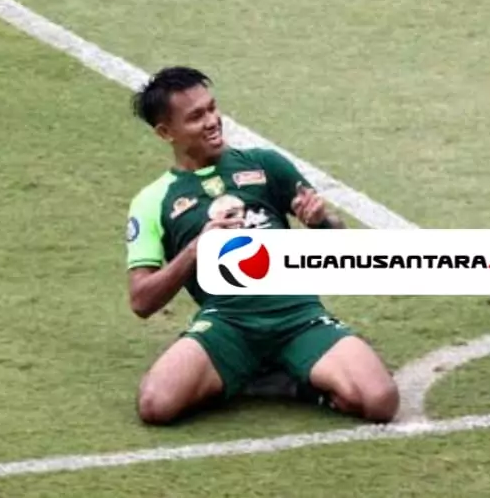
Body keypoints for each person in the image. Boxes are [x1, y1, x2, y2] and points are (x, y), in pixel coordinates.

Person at [124, 65, 400, 425]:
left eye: (212, 108)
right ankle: (247, 370)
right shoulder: (152, 201)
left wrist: (320, 222)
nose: (212, 121)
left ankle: (287, 382)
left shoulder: (266, 165)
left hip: (298, 316)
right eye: (195, 117)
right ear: (165, 132)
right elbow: (141, 301)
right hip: (227, 322)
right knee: (155, 404)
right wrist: (195, 250)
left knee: (380, 401)